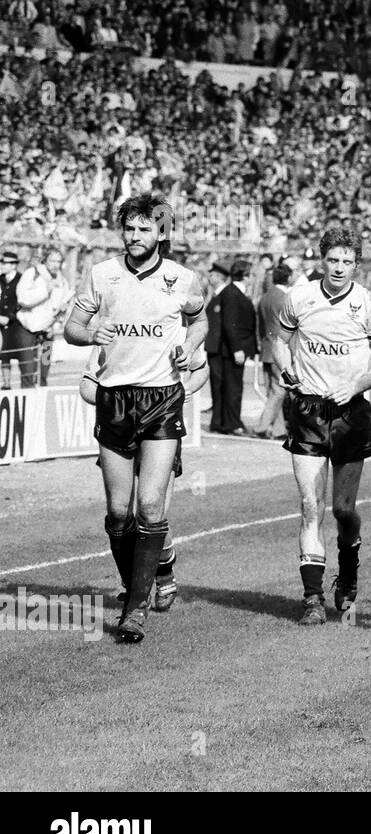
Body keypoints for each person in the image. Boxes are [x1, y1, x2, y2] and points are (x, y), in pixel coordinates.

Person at [62, 193, 207, 643]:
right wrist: (90, 333)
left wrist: (191, 345)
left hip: (162, 398)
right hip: (114, 399)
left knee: (149, 506)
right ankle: (139, 584)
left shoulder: (182, 279)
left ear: (160, 232)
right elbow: (71, 328)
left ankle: (134, 609)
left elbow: (200, 321)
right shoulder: (102, 274)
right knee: (118, 512)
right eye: (129, 228)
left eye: (145, 228)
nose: (135, 236)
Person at [272, 229, 371, 626]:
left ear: (357, 265)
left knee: (343, 510)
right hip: (307, 410)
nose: (338, 268)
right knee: (310, 506)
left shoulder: (369, 305)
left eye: (346, 261)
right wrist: (285, 368)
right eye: (332, 260)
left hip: (350, 412)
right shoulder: (299, 298)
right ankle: (312, 597)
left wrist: (354, 386)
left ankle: (350, 569)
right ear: (322, 260)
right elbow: (278, 340)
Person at [80, 345, 210, 612]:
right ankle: (134, 587)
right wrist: (112, 399)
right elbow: (87, 383)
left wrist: (182, 392)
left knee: (152, 511)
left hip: (161, 426)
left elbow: (201, 369)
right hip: (119, 426)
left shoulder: (175, 329)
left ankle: (163, 575)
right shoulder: (114, 330)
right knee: (121, 511)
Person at [205, 258, 258, 434]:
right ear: (245, 276)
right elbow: (230, 323)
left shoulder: (232, 292)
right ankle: (232, 423)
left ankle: (223, 422)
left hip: (231, 348)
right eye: (250, 275)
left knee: (228, 387)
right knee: (233, 388)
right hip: (234, 349)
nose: (252, 279)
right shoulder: (233, 293)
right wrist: (237, 349)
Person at [15, 248, 72, 386]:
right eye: (52, 260)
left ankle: (42, 396)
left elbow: (62, 307)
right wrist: (46, 290)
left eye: (58, 261)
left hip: (48, 332)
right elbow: (23, 299)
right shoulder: (32, 274)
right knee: (28, 369)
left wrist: (56, 325)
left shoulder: (62, 280)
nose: (55, 265)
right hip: (27, 329)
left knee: (44, 369)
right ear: (45, 261)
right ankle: (28, 400)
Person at [253, 263, 292, 439]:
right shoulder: (286, 298)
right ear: (289, 278)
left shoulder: (265, 297)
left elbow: (260, 326)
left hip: (266, 348)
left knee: (273, 390)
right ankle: (262, 427)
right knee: (279, 391)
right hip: (279, 351)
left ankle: (278, 430)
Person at [0, 250, 20, 390]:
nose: (2, 265)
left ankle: (29, 384)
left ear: (14, 265)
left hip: (17, 323)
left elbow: (22, 302)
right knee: (4, 354)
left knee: (23, 354)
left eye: (5, 263)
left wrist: (11, 317)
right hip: (1, 322)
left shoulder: (21, 279)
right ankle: (6, 384)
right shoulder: (0, 279)